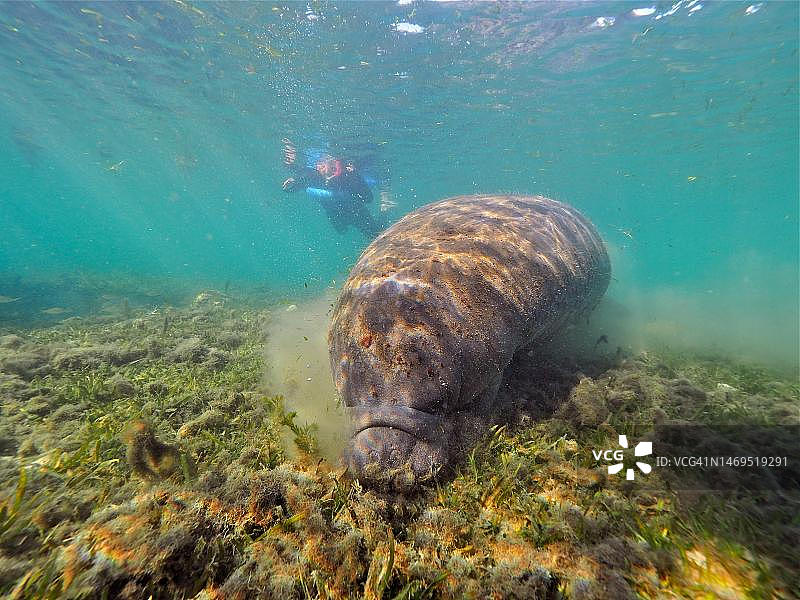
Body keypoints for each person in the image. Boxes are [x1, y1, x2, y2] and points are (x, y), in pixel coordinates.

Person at [280, 138, 387, 237]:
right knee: (342, 231)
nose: (331, 171)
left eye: (334, 167)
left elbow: (368, 199)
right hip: (335, 214)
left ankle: (386, 209)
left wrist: (354, 177)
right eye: (326, 166)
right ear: (319, 166)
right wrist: (294, 182)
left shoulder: (347, 176)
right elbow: (301, 181)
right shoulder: (315, 175)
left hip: (357, 212)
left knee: (376, 234)